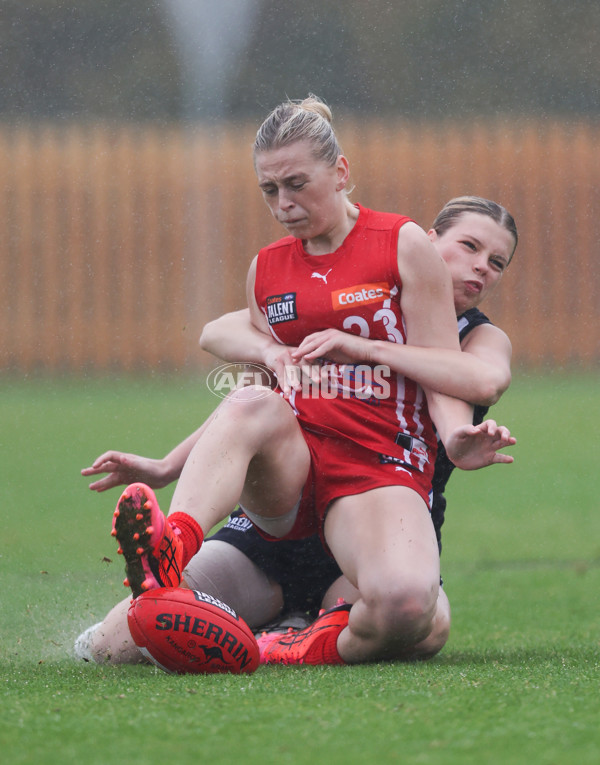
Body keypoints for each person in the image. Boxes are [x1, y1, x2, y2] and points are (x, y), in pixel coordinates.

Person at [85, 96, 516, 666]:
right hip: (291, 485)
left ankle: (280, 641)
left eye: (296, 185)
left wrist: (455, 437)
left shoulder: (410, 256)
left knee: (415, 611)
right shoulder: (268, 268)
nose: (284, 204)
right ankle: (172, 554)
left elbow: (461, 376)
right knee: (116, 644)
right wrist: (169, 465)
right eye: (270, 190)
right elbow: (251, 390)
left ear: (340, 174)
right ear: (439, 239)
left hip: (373, 482)